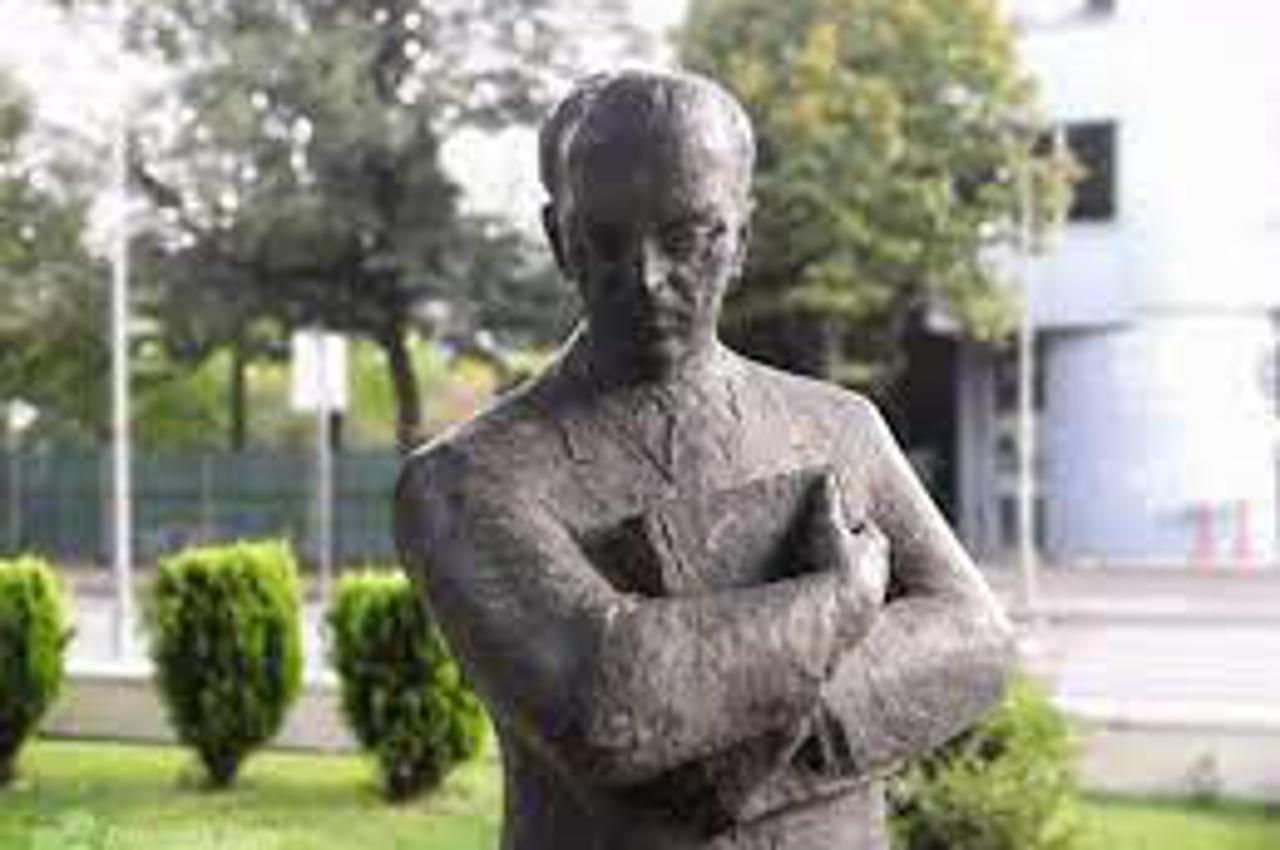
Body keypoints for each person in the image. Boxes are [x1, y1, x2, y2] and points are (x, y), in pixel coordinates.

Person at [395, 69, 1014, 850]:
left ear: (741, 238)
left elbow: (976, 641)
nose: (648, 278)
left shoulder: (841, 427)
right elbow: (607, 703)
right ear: (558, 238)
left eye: (689, 238)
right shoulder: (467, 480)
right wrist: (842, 604)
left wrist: (723, 755)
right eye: (607, 240)